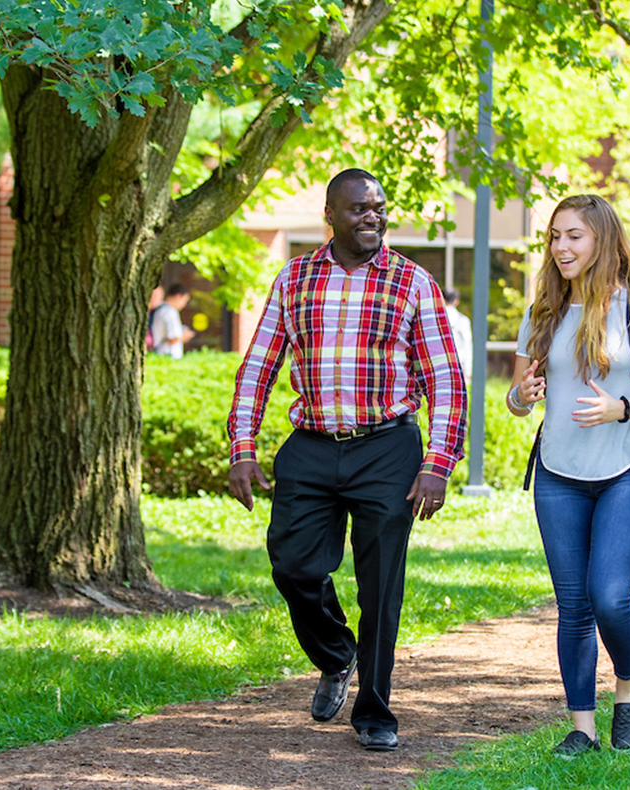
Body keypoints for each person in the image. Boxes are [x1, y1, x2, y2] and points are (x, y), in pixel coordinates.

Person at [226, 168, 468, 753]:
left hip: (388, 446)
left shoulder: (412, 282)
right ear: (330, 215)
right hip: (310, 445)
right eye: (359, 208)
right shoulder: (295, 278)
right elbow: (259, 365)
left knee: (381, 586)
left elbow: (445, 376)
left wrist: (438, 461)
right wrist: (243, 447)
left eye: (379, 208)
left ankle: (375, 710)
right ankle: (338, 655)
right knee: (292, 565)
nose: (372, 217)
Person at [506, 194, 630, 756]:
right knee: (573, 605)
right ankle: (582, 729)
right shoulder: (543, 312)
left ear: (601, 240)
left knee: (609, 597)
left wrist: (623, 408)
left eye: (574, 236)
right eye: (555, 236)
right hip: (559, 473)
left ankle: (629, 689)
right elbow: (517, 397)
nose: (561, 247)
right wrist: (520, 395)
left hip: (629, 468)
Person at [150, 284, 195, 359]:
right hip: (168, 356)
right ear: (178, 296)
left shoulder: (160, 309)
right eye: (184, 300)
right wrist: (185, 336)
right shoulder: (170, 312)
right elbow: (173, 338)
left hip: (160, 355)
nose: (184, 305)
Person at [442, 286, 473, 384]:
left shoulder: (435, 319)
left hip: (439, 366)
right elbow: (467, 345)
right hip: (458, 365)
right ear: (456, 301)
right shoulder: (463, 320)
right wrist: (468, 371)